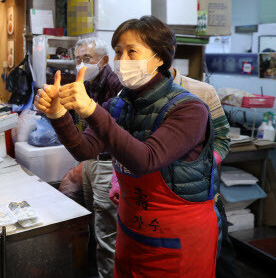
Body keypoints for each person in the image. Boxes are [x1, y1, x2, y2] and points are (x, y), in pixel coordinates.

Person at [35, 16, 218, 277]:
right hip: (133, 229)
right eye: (118, 51)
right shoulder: (119, 105)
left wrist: (90, 109)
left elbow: (146, 160)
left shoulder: (189, 109)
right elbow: (84, 150)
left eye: (132, 51)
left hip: (178, 238)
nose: (122, 60)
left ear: (159, 57)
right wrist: (58, 116)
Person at [108, 63, 235, 277]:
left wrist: (193, 167)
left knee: (219, 262)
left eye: (135, 51)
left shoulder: (201, 92)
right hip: (143, 201)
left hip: (192, 198)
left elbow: (222, 139)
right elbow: (123, 142)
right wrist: (116, 180)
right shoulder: (128, 95)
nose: (125, 62)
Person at [58, 37, 122, 278]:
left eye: (87, 59)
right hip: (89, 161)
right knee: (93, 221)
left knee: (107, 231)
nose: (81, 65)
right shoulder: (84, 82)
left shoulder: (115, 84)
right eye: (77, 60)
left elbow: (108, 128)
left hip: (107, 164)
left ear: (105, 61)